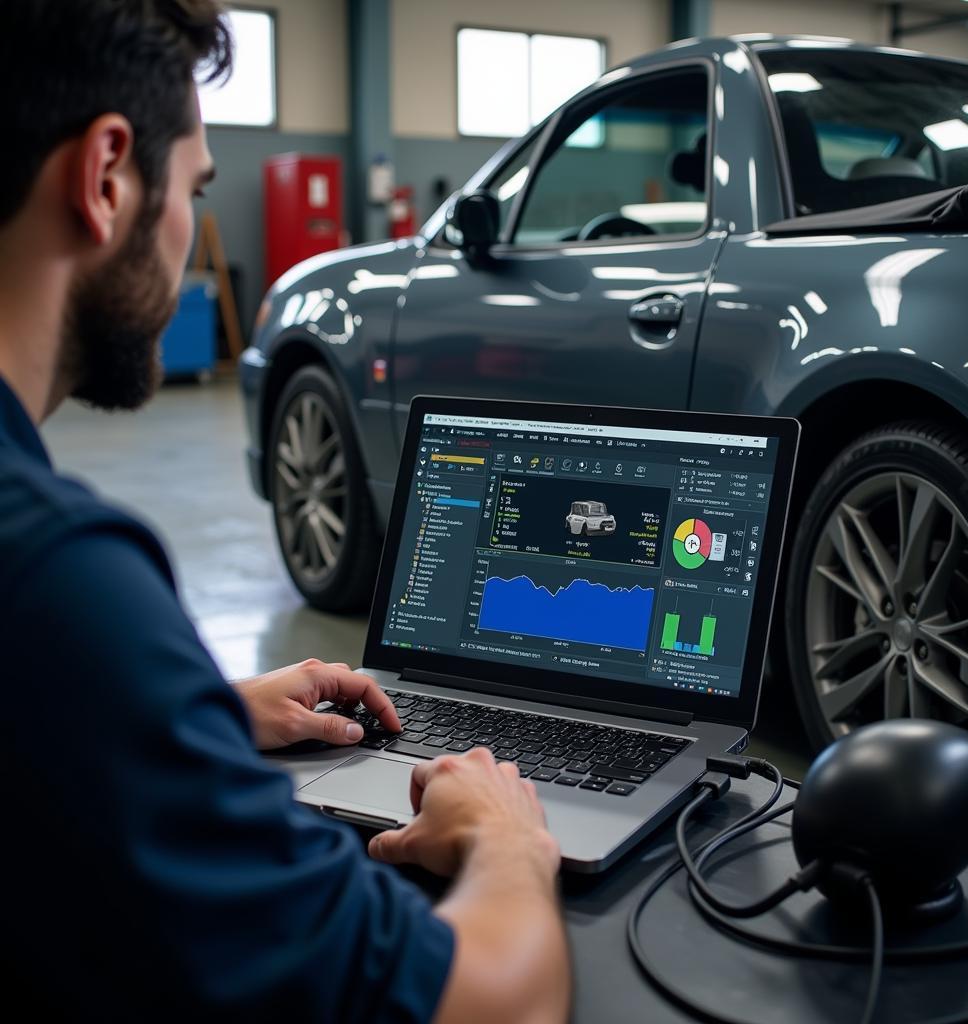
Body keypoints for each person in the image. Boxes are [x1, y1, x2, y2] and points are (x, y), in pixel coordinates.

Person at [0, 3, 570, 1021]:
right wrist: (511, 841)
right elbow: (498, 1002)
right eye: (195, 188)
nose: (184, 232)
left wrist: (191, 718)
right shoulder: (57, 577)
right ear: (106, 177)